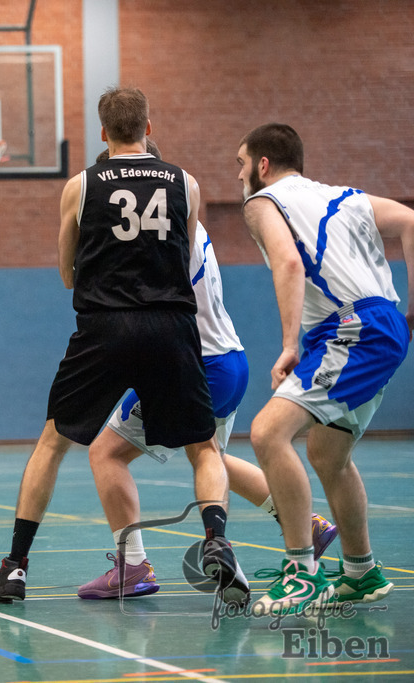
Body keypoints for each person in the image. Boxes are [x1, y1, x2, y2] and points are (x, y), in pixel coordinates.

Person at [0, 87, 247, 606]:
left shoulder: (80, 186)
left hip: (104, 327)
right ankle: (216, 540)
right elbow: (183, 260)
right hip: (170, 327)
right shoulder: (186, 184)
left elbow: (65, 274)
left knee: (53, 444)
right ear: (150, 126)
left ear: (102, 132)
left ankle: (15, 567)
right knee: (204, 449)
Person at [80, 143, 338, 600]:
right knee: (209, 457)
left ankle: (134, 565)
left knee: (107, 453)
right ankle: (305, 524)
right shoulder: (185, 222)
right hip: (228, 360)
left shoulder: (156, 237)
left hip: (192, 364)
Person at [237, 123, 413, 614]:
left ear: (263, 165)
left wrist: (289, 344)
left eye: (240, 163)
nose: (239, 175)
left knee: (268, 433)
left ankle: (301, 573)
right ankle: (361, 571)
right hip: (382, 324)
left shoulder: (262, 202)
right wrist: (412, 310)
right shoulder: (346, 196)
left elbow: (289, 264)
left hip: (350, 328)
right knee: (328, 454)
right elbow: (409, 222)